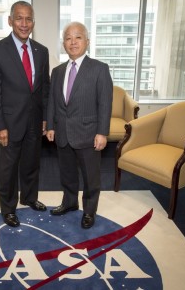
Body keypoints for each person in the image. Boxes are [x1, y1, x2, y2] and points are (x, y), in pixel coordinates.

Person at [0, 1, 50, 228]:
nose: (24, 24)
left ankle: (30, 197)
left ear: (33, 22)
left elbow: (44, 88)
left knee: (32, 163)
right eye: (19, 18)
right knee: (8, 168)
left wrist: (44, 118)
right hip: (9, 123)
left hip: (34, 120)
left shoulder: (42, 51)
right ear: (10, 21)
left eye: (29, 19)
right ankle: (8, 208)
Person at [46, 22, 113, 229]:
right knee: (66, 173)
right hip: (63, 133)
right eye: (68, 38)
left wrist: (102, 132)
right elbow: (52, 101)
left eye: (78, 37)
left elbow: (105, 103)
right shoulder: (57, 71)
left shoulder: (100, 69)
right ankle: (69, 202)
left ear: (87, 41)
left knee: (90, 177)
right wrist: (50, 126)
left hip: (88, 133)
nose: (73, 42)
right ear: (63, 43)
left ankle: (89, 211)